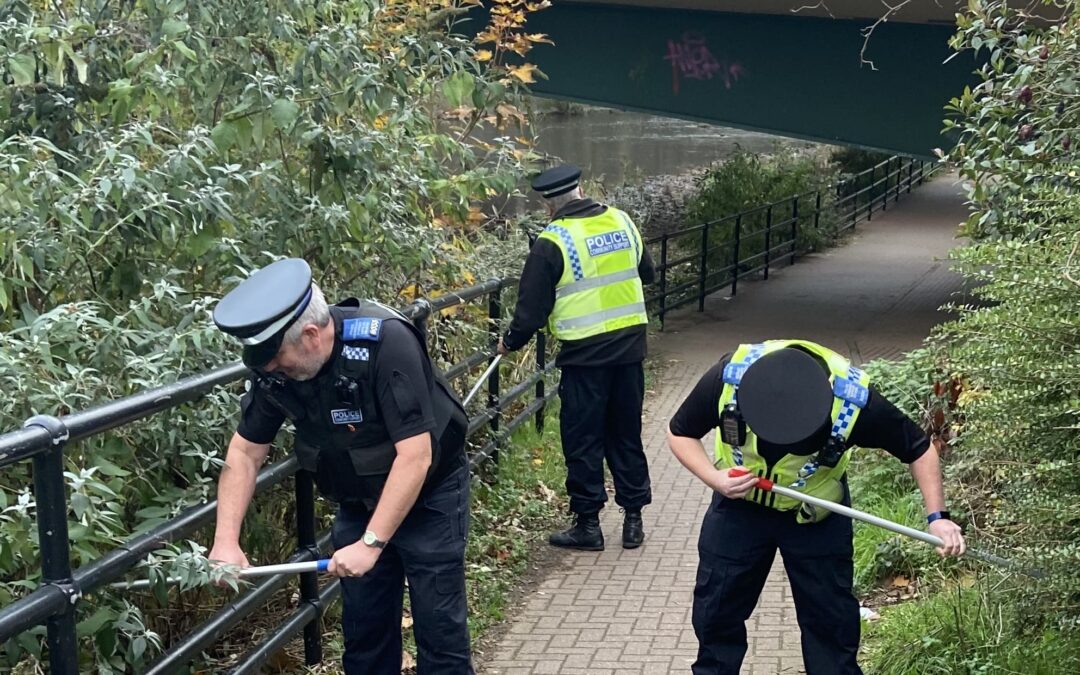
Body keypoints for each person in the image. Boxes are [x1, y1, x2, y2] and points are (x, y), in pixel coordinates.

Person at [209, 258, 474, 674]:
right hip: (357, 499)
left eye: (276, 356)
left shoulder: (385, 343)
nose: (271, 368)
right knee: (365, 638)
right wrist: (226, 541)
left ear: (311, 335)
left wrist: (371, 544)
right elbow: (244, 453)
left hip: (429, 497)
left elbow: (415, 455)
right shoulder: (275, 372)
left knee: (439, 633)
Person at [666, 339, 965, 675]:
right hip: (740, 506)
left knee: (830, 622)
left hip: (816, 514)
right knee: (716, 610)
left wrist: (938, 518)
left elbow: (919, 450)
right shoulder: (728, 378)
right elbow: (680, 432)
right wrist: (714, 478)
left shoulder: (857, 403)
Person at [498, 164, 655, 551]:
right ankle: (633, 521)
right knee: (625, 433)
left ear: (547, 204)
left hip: (585, 358)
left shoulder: (552, 241)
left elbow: (531, 311)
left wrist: (509, 343)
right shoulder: (622, 221)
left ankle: (588, 526)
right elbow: (646, 273)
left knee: (583, 439)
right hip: (630, 351)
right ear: (582, 190)